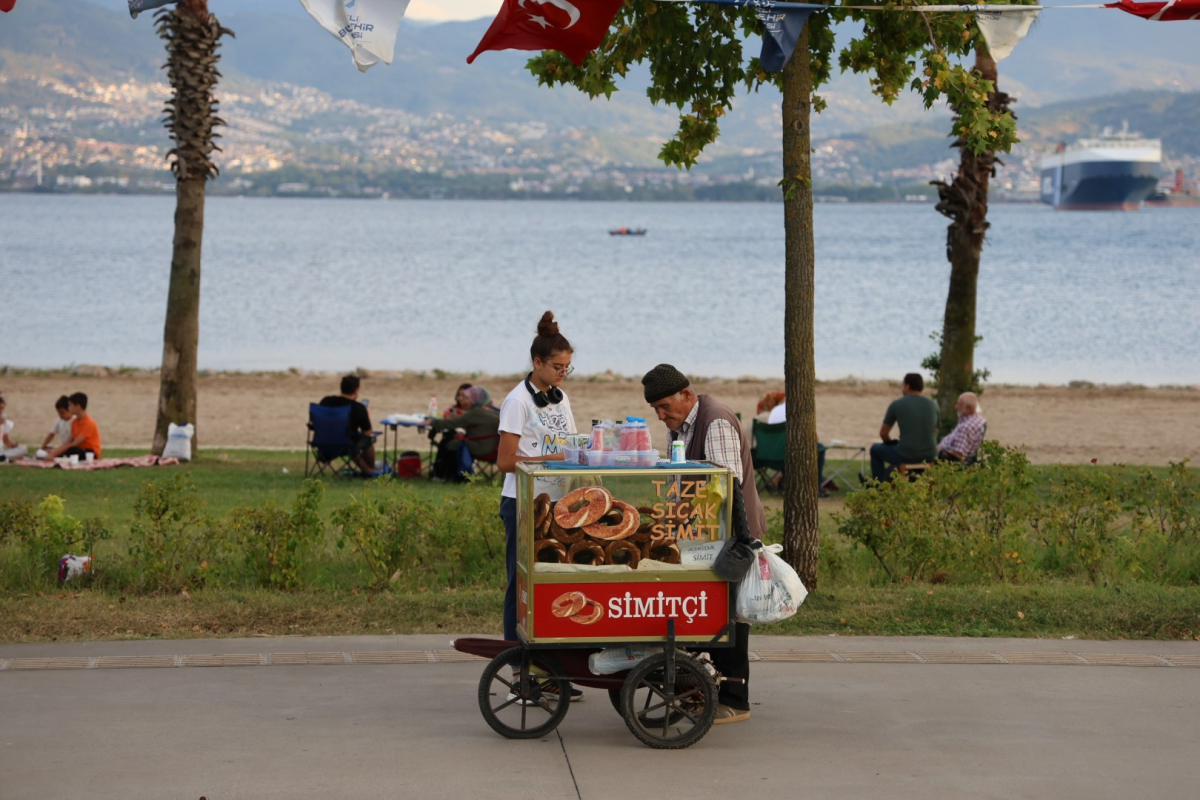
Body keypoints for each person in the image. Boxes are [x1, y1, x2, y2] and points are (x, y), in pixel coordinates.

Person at [641, 363, 766, 725]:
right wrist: (670, 518)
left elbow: (725, 488)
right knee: (703, 611)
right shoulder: (681, 427)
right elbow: (682, 482)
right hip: (704, 535)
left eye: (666, 406)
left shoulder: (716, 422)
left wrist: (683, 517)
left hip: (732, 537)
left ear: (687, 394)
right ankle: (701, 687)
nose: (662, 416)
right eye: (656, 410)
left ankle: (734, 699)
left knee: (730, 618)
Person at [496, 312, 581, 699]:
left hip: (558, 502)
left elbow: (570, 445)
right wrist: (554, 462)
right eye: (557, 367)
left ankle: (553, 669)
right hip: (523, 502)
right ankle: (519, 670)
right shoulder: (517, 402)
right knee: (523, 584)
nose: (564, 373)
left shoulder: (561, 399)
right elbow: (504, 461)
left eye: (568, 367)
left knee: (555, 582)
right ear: (537, 363)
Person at [753, 394, 829, 497]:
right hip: (788, 456)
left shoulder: (775, 411)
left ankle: (788, 483)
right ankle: (816, 488)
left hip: (768, 456)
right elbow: (813, 438)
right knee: (819, 447)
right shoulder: (800, 410)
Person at [870, 373, 938, 482]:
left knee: (875, 449)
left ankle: (878, 485)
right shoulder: (933, 404)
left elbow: (883, 433)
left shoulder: (897, 404)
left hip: (907, 454)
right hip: (930, 455)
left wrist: (889, 442)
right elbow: (936, 431)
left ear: (907, 386)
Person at [427, 386, 501, 480]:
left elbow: (451, 423)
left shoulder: (476, 412)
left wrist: (432, 422)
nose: (465, 401)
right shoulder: (490, 410)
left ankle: (446, 474)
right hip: (493, 448)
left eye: (467, 398)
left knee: (449, 443)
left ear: (475, 399)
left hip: (483, 449)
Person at [319, 375, 377, 474]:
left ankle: (367, 470)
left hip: (323, 443)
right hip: (346, 445)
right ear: (356, 391)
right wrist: (366, 415)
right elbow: (367, 432)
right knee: (368, 440)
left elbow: (313, 422)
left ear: (341, 388)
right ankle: (369, 470)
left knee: (351, 441)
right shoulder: (358, 408)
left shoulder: (326, 401)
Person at [42, 392, 101, 461]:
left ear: (78, 406)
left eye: (70, 405)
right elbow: (68, 443)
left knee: (71, 450)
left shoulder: (89, 423)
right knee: (62, 449)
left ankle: (58, 456)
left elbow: (74, 444)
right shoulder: (75, 421)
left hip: (90, 453)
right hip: (78, 449)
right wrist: (55, 451)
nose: (69, 408)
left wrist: (54, 453)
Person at [937, 392, 987, 463]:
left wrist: (940, 451)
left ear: (968, 408)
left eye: (959, 404)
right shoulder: (977, 419)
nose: (956, 407)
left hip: (949, 461)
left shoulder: (966, 427)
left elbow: (958, 454)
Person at [0, 396, 30, 462]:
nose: (1, 411)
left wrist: (13, 445)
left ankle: (3, 457)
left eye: (2, 409)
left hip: (1, 451)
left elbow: (7, 442)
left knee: (23, 448)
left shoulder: (5, 424)